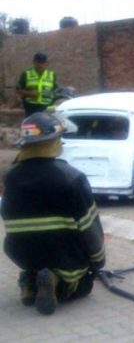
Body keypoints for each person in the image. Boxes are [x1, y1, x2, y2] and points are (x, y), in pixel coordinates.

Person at [1, 112, 106, 315]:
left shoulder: (11, 177)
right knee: (84, 285)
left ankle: (29, 281)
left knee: (35, 261)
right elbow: (89, 227)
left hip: (23, 254)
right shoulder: (72, 177)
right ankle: (58, 282)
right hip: (64, 254)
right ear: (52, 141)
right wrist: (98, 261)